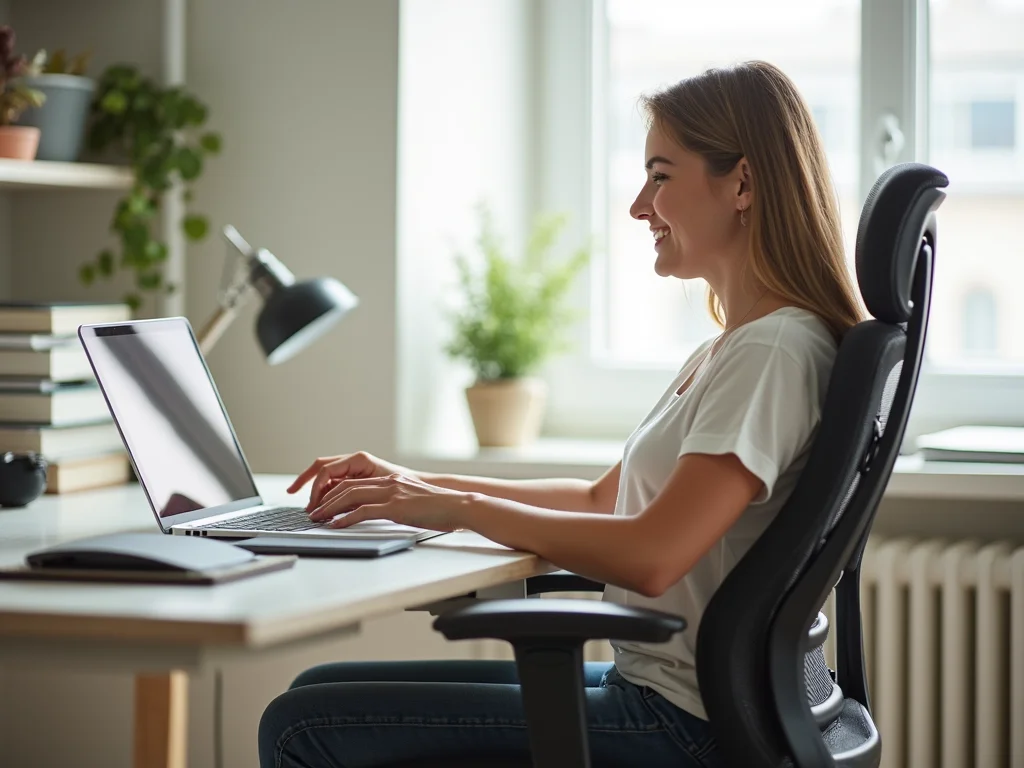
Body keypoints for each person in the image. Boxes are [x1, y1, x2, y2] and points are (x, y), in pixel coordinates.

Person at [258, 59, 863, 768]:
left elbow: (651, 555)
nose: (640, 205)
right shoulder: (734, 348)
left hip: (684, 726)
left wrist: (456, 508)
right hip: (683, 700)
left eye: (661, 175)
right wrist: (413, 486)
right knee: (316, 688)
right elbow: (601, 500)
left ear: (743, 183)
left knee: (301, 725)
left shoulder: (774, 351)